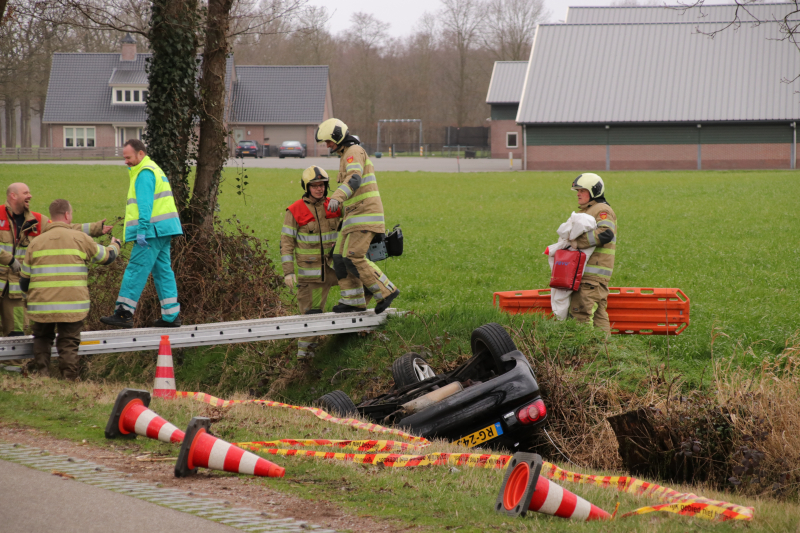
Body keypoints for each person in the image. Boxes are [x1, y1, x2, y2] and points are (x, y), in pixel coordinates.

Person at [20, 199, 121, 380]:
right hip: (72, 305)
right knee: (68, 341)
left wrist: (32, 298)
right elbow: (107, 257)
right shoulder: (80, 239)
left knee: (42, 338)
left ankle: (42, 376)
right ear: (67, 215)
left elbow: (24, 281)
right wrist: (116, 245)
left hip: (41, 305)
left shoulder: (36, 243)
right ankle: (69, 378)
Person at [0, 183, 112, 336]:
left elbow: (63, 228)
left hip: (15, 293)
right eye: (25, 193)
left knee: (16, 336)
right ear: (13, 195)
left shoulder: (36, 220)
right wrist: (10, 260)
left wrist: (96, 228)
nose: (30, 196)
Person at [314, 118, 400, 314]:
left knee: (354, 256)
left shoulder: (353, 152)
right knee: (339, 257)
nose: (327, 146)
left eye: (328, 141)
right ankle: (353, 301)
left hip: (365, 215)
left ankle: (387, 291)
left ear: (337, 136)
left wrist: (337, 197)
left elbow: (354, 179)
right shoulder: (345, 155)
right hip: (353, 217)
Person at [100, 139, 183, 329]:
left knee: (136, 269)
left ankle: (124, 313)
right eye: (124, 158)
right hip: (164, 230)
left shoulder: (144, 173)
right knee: (163, 271)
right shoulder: (154, 169)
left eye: (128, 157)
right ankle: (171, 315)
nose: (125, 161)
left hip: (151, 231)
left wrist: (142, 231)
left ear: (141, 154)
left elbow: (145, 207)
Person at [281, 166, 341, 359]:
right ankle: (305, 361)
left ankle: (351, 337)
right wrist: (289, 272)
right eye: (314, 185)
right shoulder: (295, 210)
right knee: (311, 320)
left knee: (360, 287)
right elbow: (286, 244)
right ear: (306, 187)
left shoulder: (334, 206)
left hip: (334, 269)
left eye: (322, 185)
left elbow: (353, 223)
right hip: (311, 278)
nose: (319, 189)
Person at [568, 173, 618, 332]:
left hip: (591, 277)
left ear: (594, 191)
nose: (578, 194)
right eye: (577, 191)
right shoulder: (590, 210)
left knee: (581, 315)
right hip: (593, 278)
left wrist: (577, 241)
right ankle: (603, 347)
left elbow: (606, 233)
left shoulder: (601, 209)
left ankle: (585, 347)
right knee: (598, 317)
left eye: (582, 190)